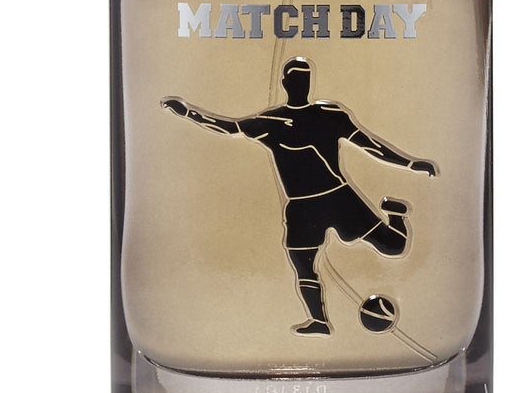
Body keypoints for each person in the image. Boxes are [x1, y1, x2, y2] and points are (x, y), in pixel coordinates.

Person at [161, 57, 437, 335]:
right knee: (302, 263)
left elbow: (371, 145)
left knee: (393, 248)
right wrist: (188, 113)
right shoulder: (271, 122)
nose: (300, 83)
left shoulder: (329, 114)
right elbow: (229, 127)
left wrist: (410, 163)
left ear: (306, 82)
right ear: (286, 83)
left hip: (337, 196)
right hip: (302, 207)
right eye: (296, 77)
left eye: (304, 77)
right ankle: (319, 322)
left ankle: (396, 217)